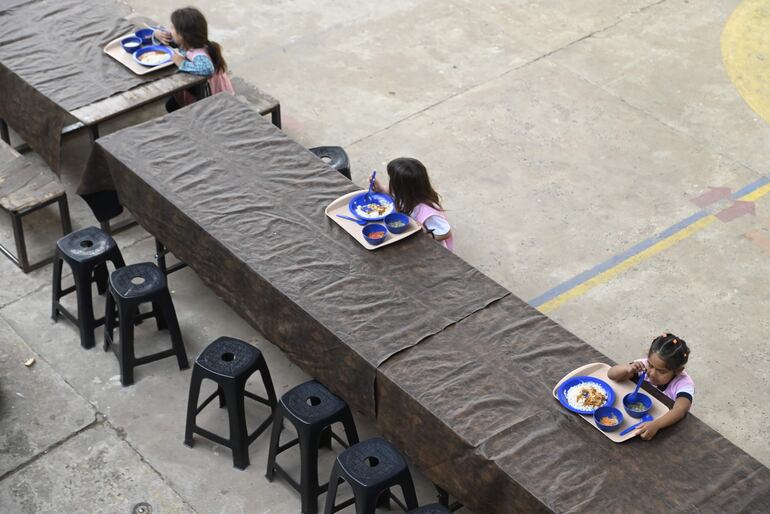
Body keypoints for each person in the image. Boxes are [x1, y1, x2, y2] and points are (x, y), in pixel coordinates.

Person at [607, 333, 694, 440]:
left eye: (661, 372)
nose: (652, 373)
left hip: (665, 424)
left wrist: (657, 424)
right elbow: (611, 374)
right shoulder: (643, 366)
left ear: (678, 371)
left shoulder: (684, 383)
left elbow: (680, 410)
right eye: (651, 365)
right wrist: (627, 368)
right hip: (635, 420)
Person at [154, 7, 234, 112]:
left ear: (183, 35)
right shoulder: (189, 43)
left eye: (173, 28)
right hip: (196, 89)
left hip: (212, 98)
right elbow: (170, 40)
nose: (170, 31)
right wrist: (157, 34)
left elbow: (208, 69)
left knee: (172, 106)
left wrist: (182, 63)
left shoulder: (199, 54)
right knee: (171, 104)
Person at [374, 157, 454, 251]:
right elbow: (393, 193)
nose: (390, 183)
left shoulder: (428, 213)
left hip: (429, 249)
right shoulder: (406, 195)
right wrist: (381, 189)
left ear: (402, 188)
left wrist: (426, 234)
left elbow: (446, 233)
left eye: (392, 180)